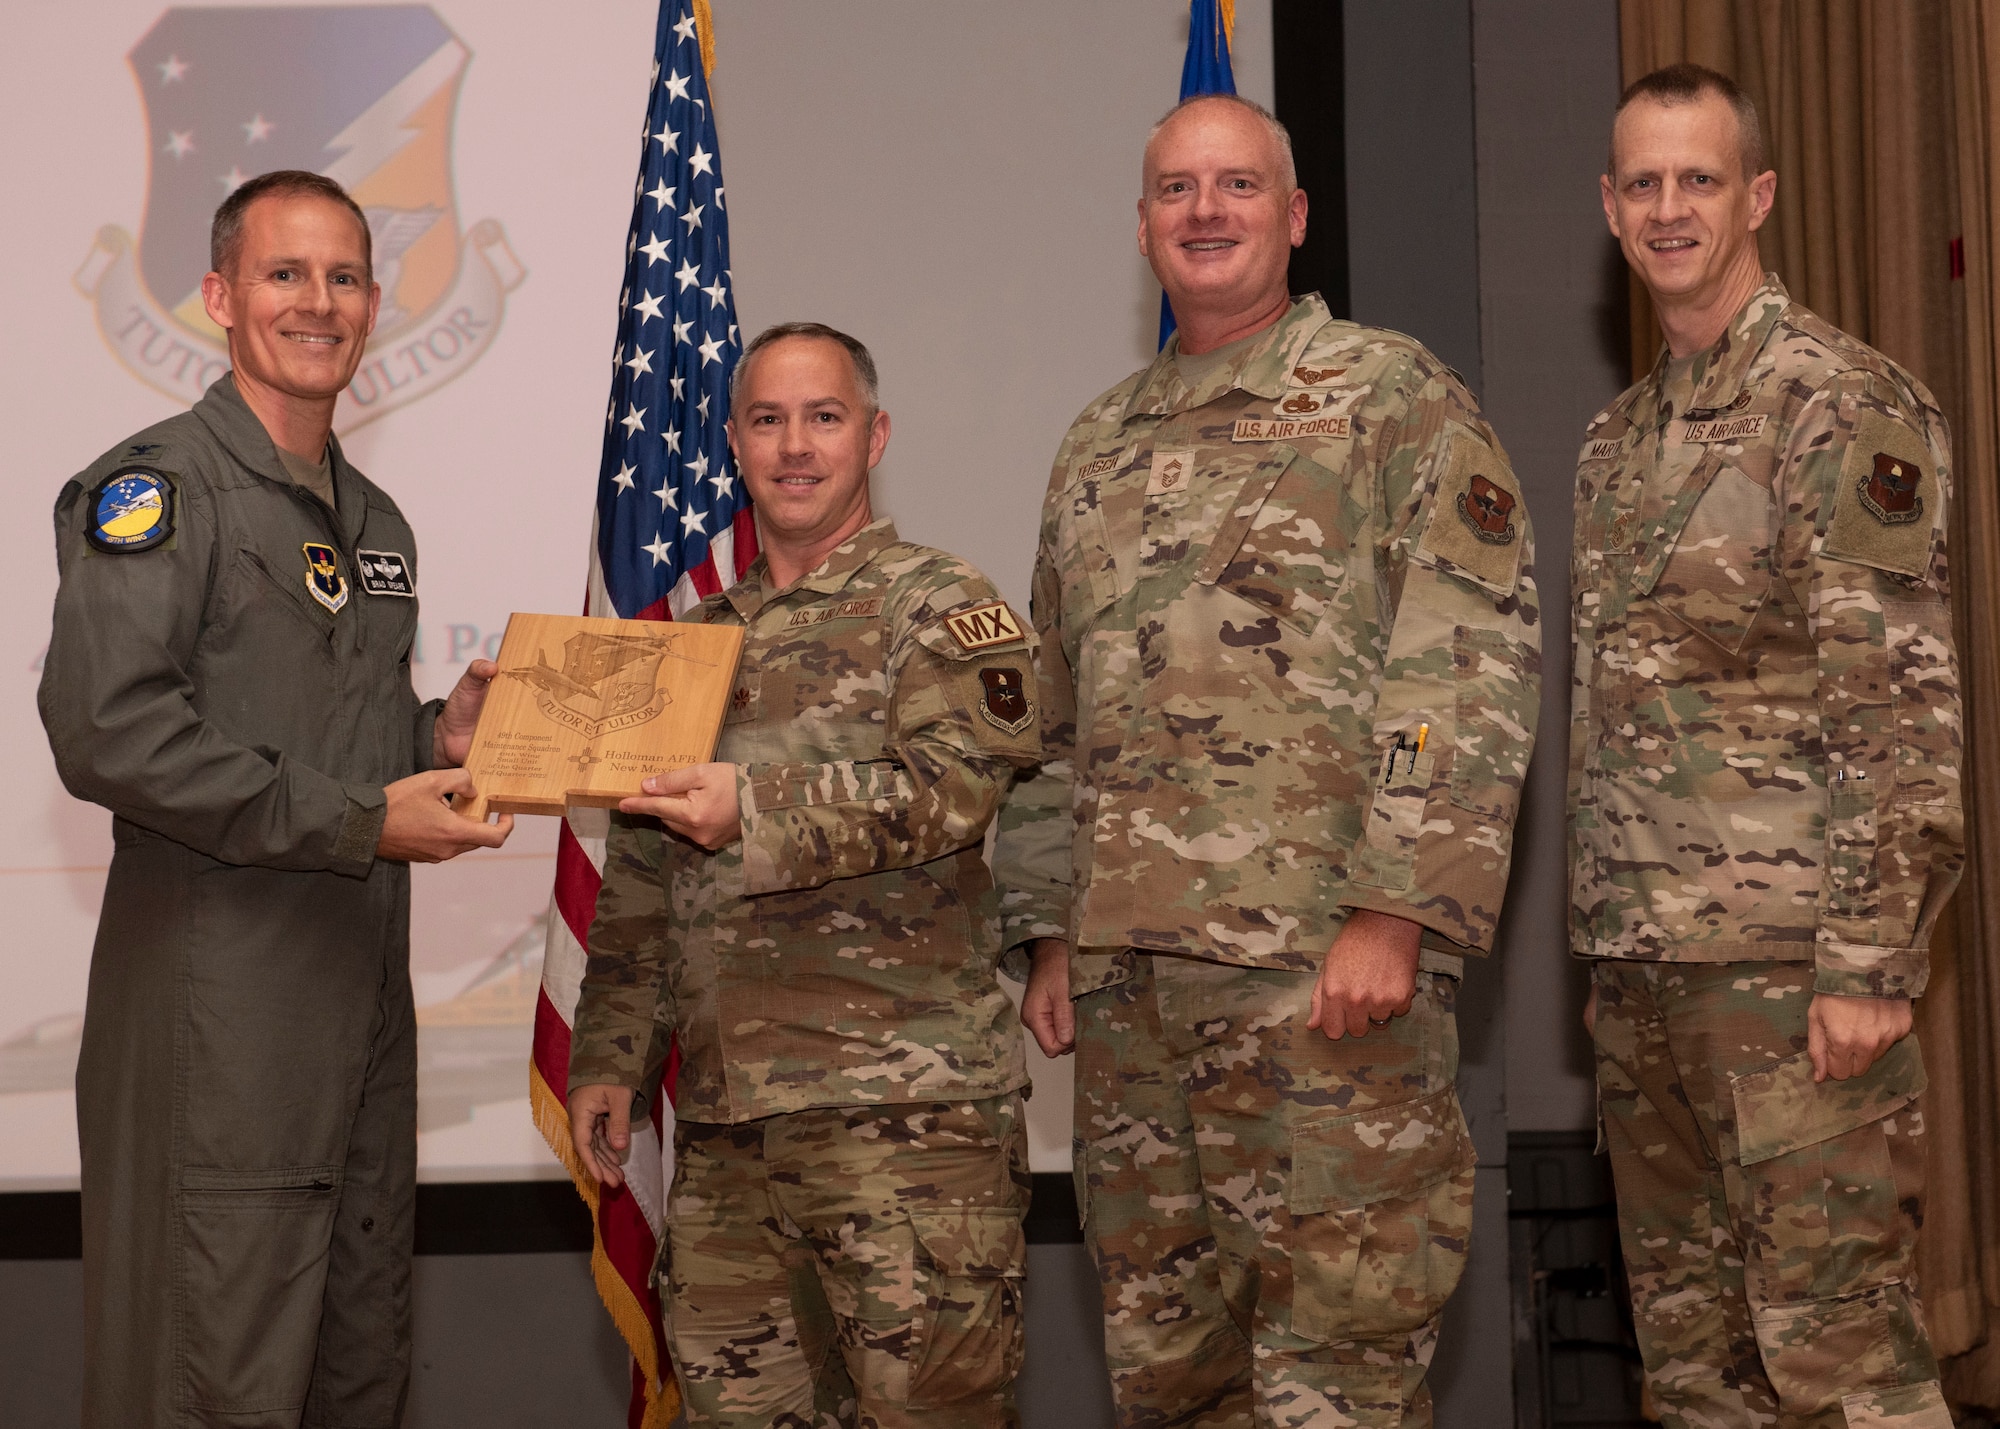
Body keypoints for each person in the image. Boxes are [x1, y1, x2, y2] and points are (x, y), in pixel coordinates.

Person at [994, 95, 1541, 1426]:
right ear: (1141, 229)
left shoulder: (1392, 398)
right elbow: (1053, 715)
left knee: (1334, 1384)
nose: (1206, 211)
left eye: (1238, 186)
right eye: (1177, 191)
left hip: (1317, 985)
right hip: (1132, 1008)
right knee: (1172, 1385)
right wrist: (1050, 931)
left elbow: (1456, 667)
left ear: (1294, 218)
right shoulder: (1095, 443)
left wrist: (1395, 902)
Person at [37, 170, 511, 1427]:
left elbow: (332, 739)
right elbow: (109, 729)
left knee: (353, 1379)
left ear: (374, 305)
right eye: (284, 273)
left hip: (356, 1019)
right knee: (213, 1384)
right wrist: (364, 821)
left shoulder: (377, 522)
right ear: (219, 298)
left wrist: (438, 734)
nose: (319, 302)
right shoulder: (157, 492)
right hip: (220, 1030)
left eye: (345, 276)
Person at [1576, 65, 1962, 1428]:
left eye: (1698, 178)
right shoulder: (1616, 443)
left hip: (1791, 984)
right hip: (1645, 980)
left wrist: (1867, 966)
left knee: (1842, 1367)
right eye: (1642, 181)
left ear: (1759, 198)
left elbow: (1899, 707)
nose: (1668, 207)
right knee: (1699, 1384)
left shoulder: (1839, 404)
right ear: (1609, 206)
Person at [567, 323, 1043, 1428]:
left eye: (822, 418)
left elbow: (957, 787)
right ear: (731, 443)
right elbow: (639, 884)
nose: (794, 446)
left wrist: (759, 806)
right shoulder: (688, 645)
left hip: (906, 1127)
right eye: (768, 420)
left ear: (872, 436)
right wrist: (610, 1058)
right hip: (732, 1137)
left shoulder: (936, 606)